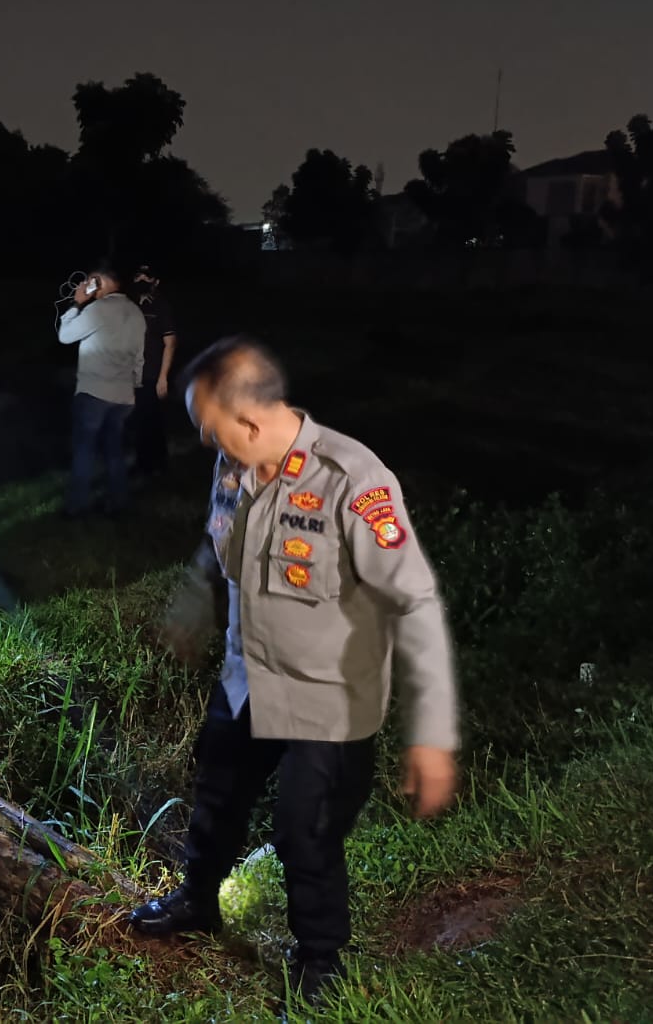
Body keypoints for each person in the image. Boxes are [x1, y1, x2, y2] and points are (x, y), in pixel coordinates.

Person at [128, 336, 459, 1010]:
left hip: (326, 700)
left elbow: (415, 604)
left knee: (305, 831)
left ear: (250, 420)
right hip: (247, 676)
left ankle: (321, 964)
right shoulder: (234, 464)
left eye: (209, 427)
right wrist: (193, 597)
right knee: (217, 795)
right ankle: (197, 900)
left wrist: (432, 734)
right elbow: (220, 541)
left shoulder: (353, 480)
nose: (204, 441)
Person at [56, 259, 145, 516]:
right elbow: (139, 357)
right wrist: (135, 385)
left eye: (90, 281)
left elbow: (65, 336)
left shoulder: (99, 309)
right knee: (114, 449)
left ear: (100, 282)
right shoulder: (135, 312)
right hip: (123, 395)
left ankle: (77, 506)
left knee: (85, 449)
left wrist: (77, 303)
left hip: (95, 392)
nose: (86, 285)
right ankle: (119, 502)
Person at [129, 264, 177, 480]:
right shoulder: (130, 305)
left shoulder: (161, 306)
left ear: (155, 281)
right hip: (133, 372)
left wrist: (163, 377)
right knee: (138, 419)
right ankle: (142, 463)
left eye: (146, 277)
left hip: (153, 373)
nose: (141, 280)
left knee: (153, 419)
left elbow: (170, 343)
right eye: (138, 276)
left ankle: (158, 465)